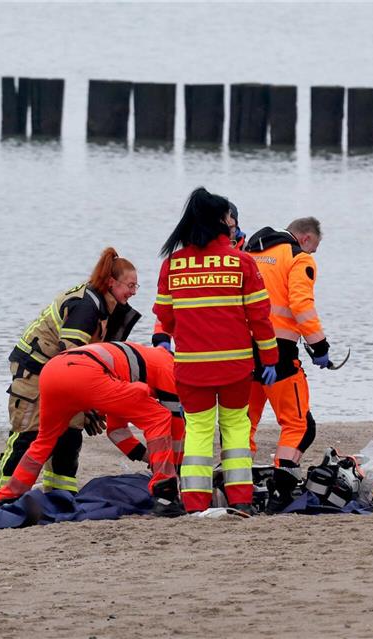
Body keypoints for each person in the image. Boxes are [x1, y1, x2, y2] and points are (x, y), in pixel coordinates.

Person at [153, 187, 279, 514]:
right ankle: (240, 501)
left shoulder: (173, 265)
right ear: (220, 221)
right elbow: (260, 319)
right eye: (227, 216)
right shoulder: (242, 262)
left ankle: (196, 505)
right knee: (236, 428)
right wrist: (270, 359)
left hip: (191, 369)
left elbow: (165, 318)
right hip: (236, 367)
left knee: (197, 431)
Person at [0, 248, 144, 496]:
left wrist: (91, 405)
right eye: (130, 285)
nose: (133, 292)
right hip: (35, 370)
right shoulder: (85, 308)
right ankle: (3, 495)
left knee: (69, 436)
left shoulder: (107, 306)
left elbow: (95, 361)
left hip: (63, 373)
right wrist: (89, 405)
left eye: (136, 286)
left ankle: (61, 495)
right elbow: (72, 363)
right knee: (28, 434)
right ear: (111, 282)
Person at [0, 341, 185, 516]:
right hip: (86, 372)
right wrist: (175, 470)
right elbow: (175, 429)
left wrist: (149, 457)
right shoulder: (170, 367)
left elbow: (117, 431)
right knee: (159, 417)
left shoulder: (135, 367)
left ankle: (7, 496)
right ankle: (165, 494)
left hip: (52, 371)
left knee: (44, 440)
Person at [244, 217, 330, 512]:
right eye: (314, 248)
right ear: (305, 239)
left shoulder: (249, 250)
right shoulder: (297, 257)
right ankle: (281, 492)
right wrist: (319, 345)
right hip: (279, 352)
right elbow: (301, 303)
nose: (312, 255)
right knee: (300, 425)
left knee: (243, 424)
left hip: (242, 350)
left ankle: (237, 485)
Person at [153, 200, 244, 352]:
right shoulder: (186, 261)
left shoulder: (248, 258)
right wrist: (162, 337)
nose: (227, 232)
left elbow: (258, 310)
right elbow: (168, 306)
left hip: (237, 346)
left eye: (231, 227)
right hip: (196, 346)